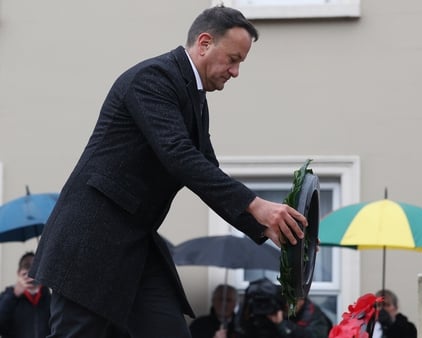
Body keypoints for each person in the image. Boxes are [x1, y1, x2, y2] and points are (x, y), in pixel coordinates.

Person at [29, 5, 307, 338]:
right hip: (90, 244)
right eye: (233, 59)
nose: (235, 72)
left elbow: (205, 172)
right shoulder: (153, 79)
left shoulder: (194, 97)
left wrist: (265, 228)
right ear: (204, 43)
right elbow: (178, 156)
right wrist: (258, 205)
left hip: (136, 246)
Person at [233, 278, 317, 338]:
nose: (262, 307)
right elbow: (240, 329)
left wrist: (281, 324)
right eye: (259, 303)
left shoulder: (308, 314)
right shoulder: (249, 316)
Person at [0, 252, 51, 338]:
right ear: (18, 274)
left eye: (33, 274)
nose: (30, 279)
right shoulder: (7, 298)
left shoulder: (48, 298)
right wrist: (13, 294)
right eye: (25, 274)